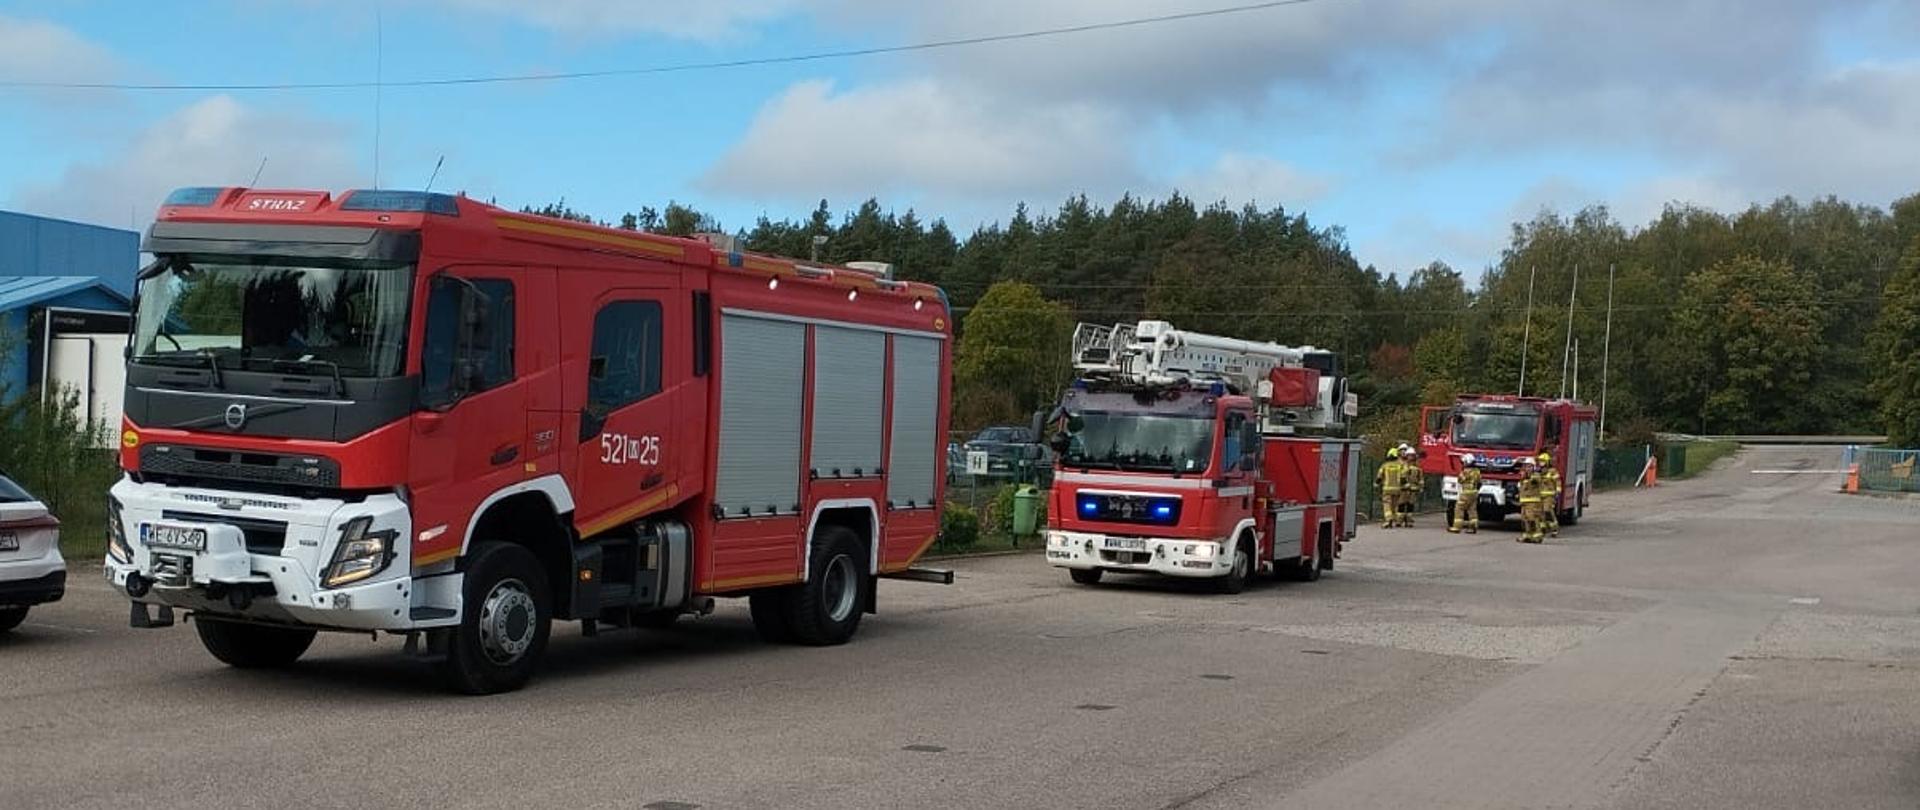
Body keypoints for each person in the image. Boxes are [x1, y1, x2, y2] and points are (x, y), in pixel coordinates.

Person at [1450, 454, 1482, 534]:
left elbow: (1460, 480)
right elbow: (1479, 482)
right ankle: (1473, 526)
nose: (1463, 464)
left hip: (1466, 493)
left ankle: (1456, 527)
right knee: (1472, 510)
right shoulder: (1477, 472)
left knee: (1459, 508)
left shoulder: (1465, 472)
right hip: (1474, 493)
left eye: (1463, 462)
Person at [1375, 447, 1406, 529]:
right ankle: (1397, 520)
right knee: (1395, 505)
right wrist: (1404, 486)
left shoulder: (1385, 465)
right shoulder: (1400, 466)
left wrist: (1376, 484)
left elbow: (1379, 477)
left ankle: (1388, 520)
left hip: (1387, 489)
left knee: (1387, 505)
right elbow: (1403, 478)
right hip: (1397, 489)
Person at [1516, 457, 1545, 543]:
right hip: (1524, 503)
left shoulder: (1535, 475)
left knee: (1533, 519)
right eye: (1526, 466)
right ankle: (1527, 536)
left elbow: (1535, 480)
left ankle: (1537, 536)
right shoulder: (1524, 478)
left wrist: (1528, 476)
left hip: (1533, 502)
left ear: (1533, 467)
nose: (1527, 468)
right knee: (1525, 519)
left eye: (1529, 466)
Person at [1537, 451, 1562, 537]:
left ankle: (1554, 528)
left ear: (1547, 462)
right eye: (1540, 461)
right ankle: (1543, 528)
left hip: (1549, 495)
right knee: (1540, 513)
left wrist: (1558, 491)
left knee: (1547, 510)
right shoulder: (1538, 472)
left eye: (1543, 461)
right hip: (1540, 496)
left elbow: (1558, 481)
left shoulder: (1552, 471)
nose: (1541, 463)